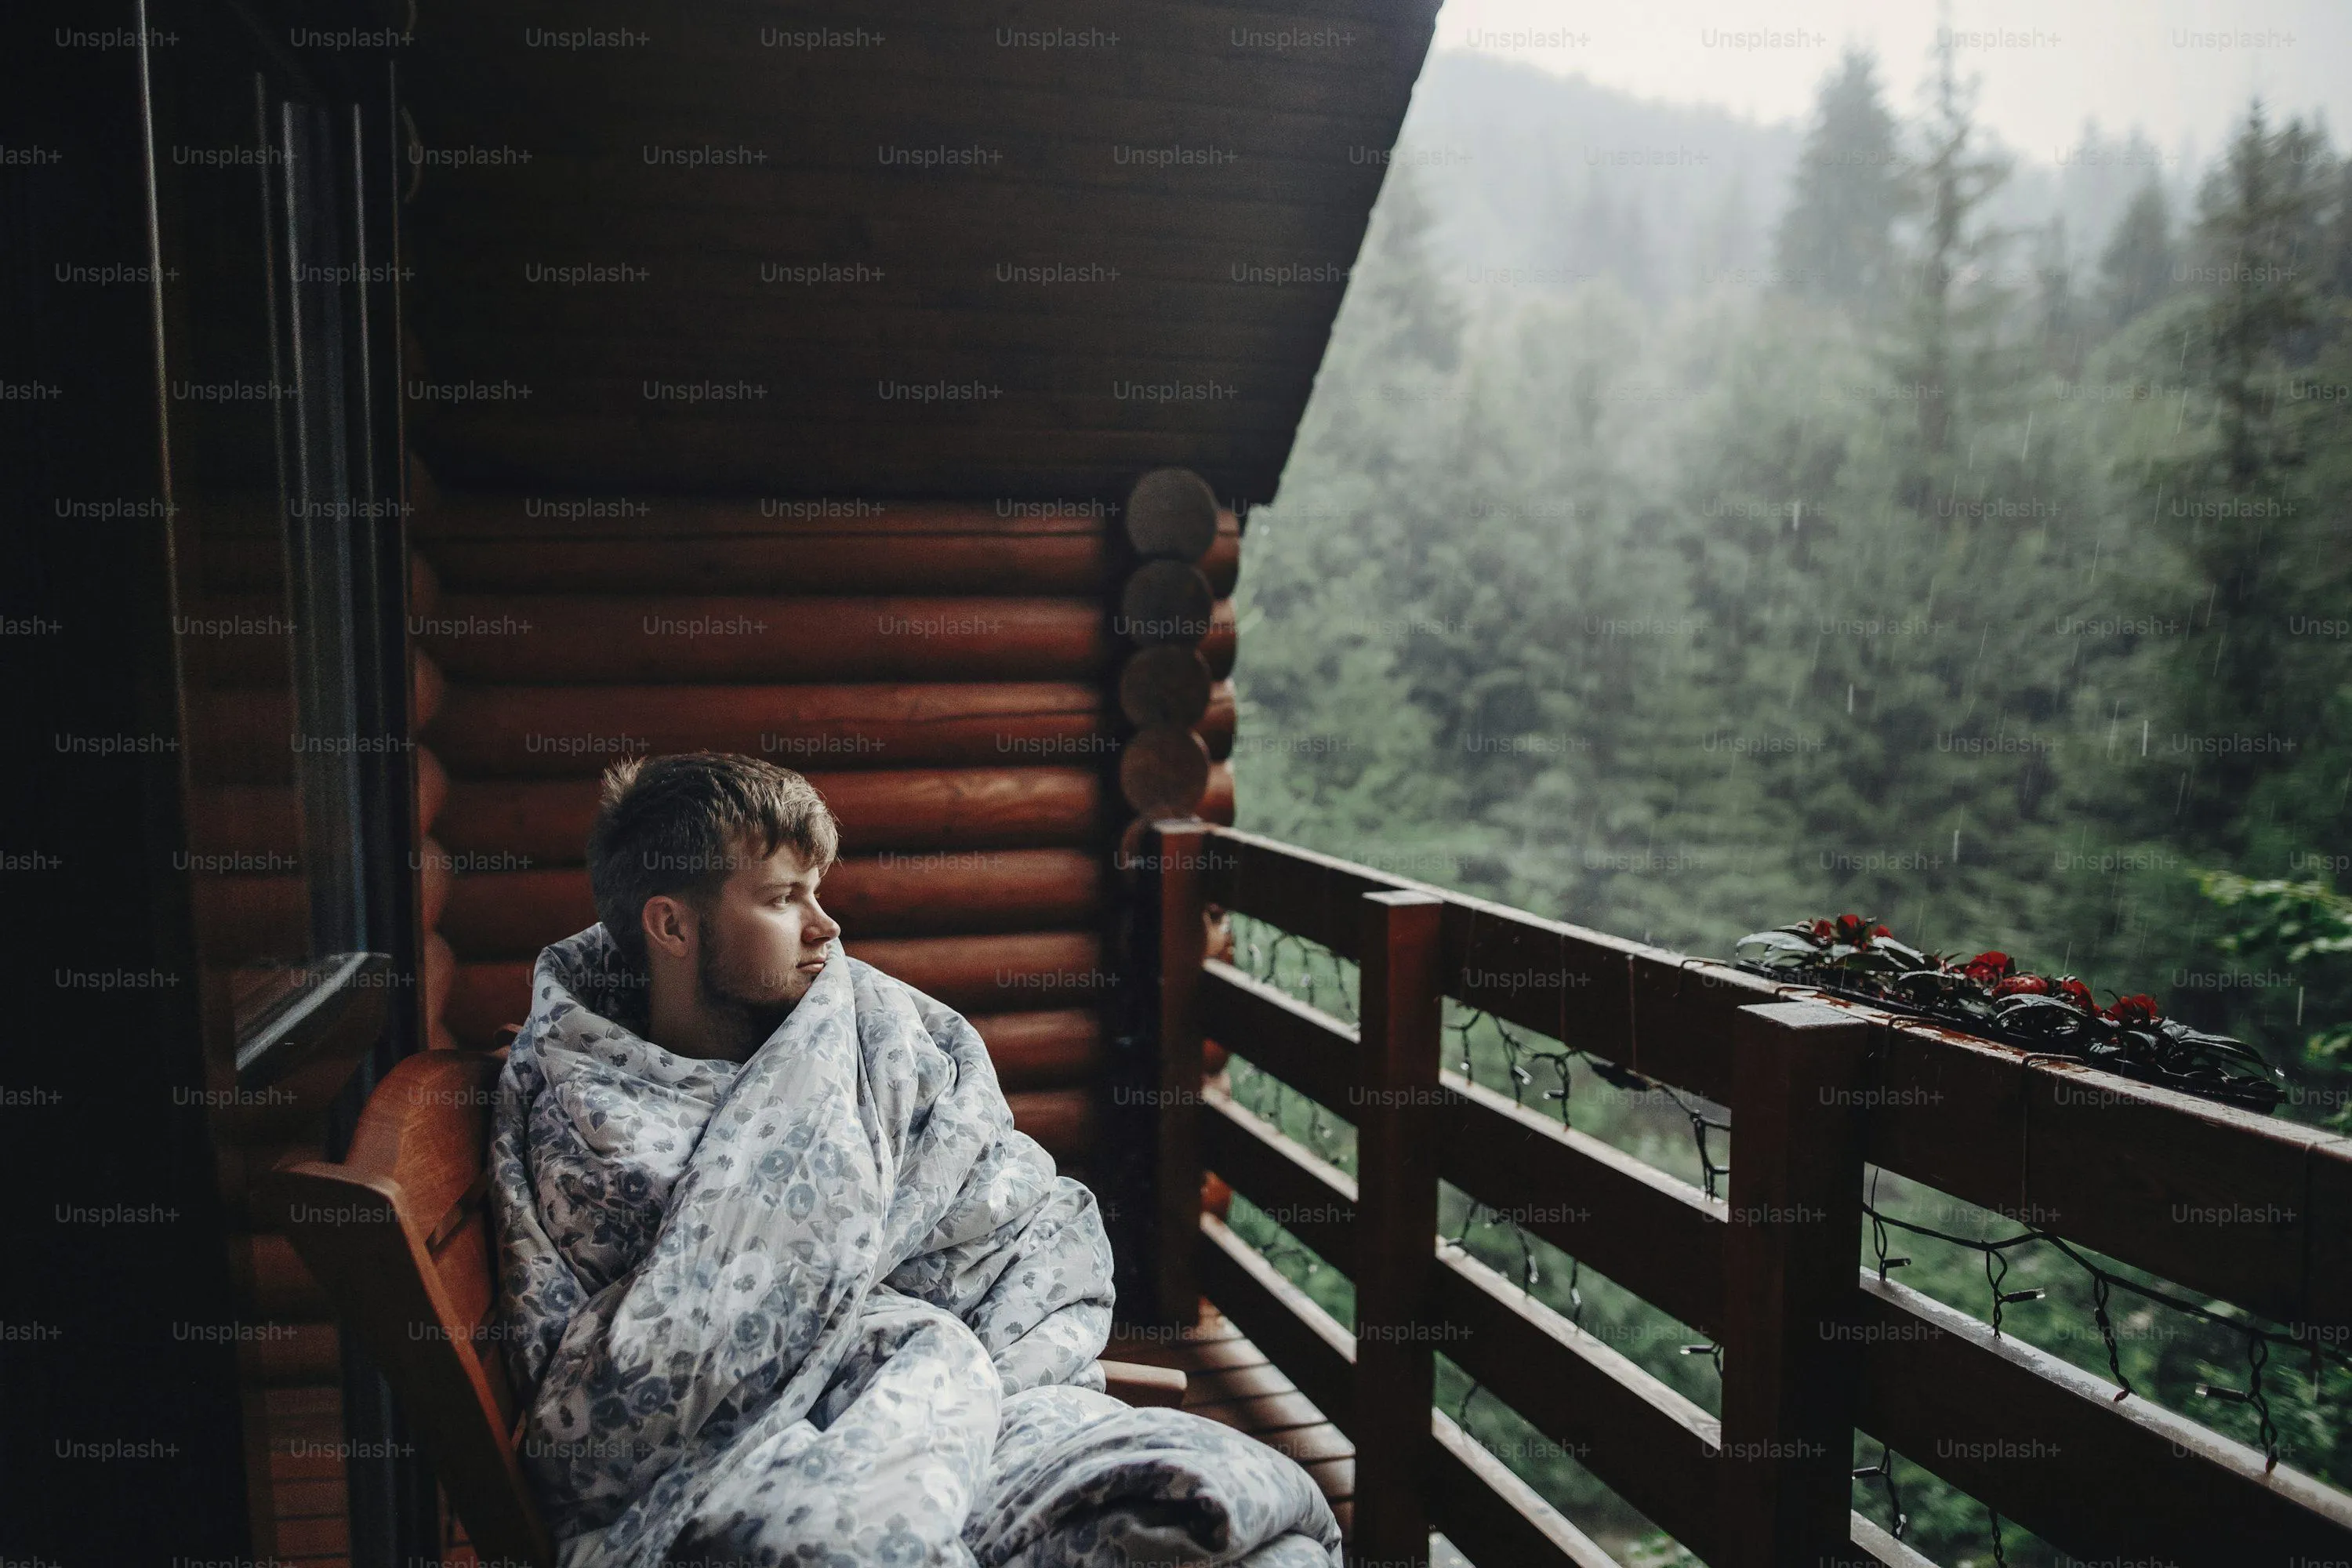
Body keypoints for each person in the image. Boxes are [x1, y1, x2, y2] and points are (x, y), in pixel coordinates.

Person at [489, 753, 1341, 1568]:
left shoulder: (865, 1030)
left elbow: (1002, 1203)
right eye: (784, 898)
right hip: (793, 1444)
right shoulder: (594, 1109)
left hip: (992, 1384)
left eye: (816, 890)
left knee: (1259, 1525)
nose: (825, 925)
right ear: (672, 925)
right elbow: (636, 1375)